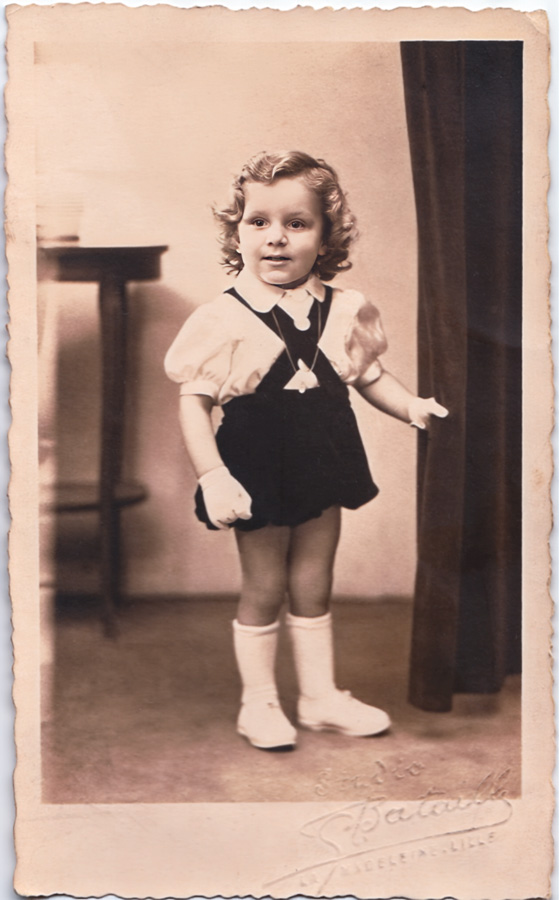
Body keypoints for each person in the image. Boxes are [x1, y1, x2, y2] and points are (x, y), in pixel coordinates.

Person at [165, 150, 447, 751]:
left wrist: (412, 406)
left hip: (324, 457)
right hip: (255, 466)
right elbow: (194, 402)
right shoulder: (223, 318)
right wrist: (213, 475)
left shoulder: (343, 310)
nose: (275, 238)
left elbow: (371, 377)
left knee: (315, 578)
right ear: (237, 230)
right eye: (258, 222)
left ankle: (319, 698)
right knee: (265, 583)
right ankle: (259, 703)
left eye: (296, 223)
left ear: (325, 236)